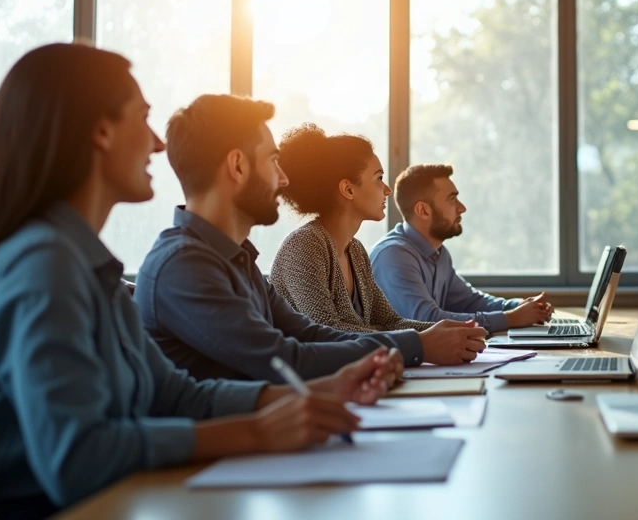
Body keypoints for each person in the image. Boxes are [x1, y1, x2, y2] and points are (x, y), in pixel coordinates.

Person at [0, 45, 398, 519]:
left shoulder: (86, 263)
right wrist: (257, 431)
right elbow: (77, 458)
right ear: (102, 132)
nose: (156, 143)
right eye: (143, 118)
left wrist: (322, 392)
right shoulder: (41, 264)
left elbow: (175, 394)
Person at [134, 95, 486, 382]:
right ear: (238, 166)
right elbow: (285, 356)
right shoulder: (185, 265)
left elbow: (308, 334)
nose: (284, 179)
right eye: (272, 161)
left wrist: (423, 339)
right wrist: (416, 346)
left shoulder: (237, 258)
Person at [270, 125, 485, 365]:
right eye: (379, 178)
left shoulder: (356, 250)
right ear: (348, 189)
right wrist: (421, 343)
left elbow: (392, 321)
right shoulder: (304, 247)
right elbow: (326, 332)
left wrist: (446, 331)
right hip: (311, 387)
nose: (387, 190)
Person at [369, 164, 554, 334]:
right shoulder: (393, 256)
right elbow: (426, 320)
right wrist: (511, 318)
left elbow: (469, 302)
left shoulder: (439, 254)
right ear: (423, 210)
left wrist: (519, 306)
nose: (462, 208)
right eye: (452, 199)